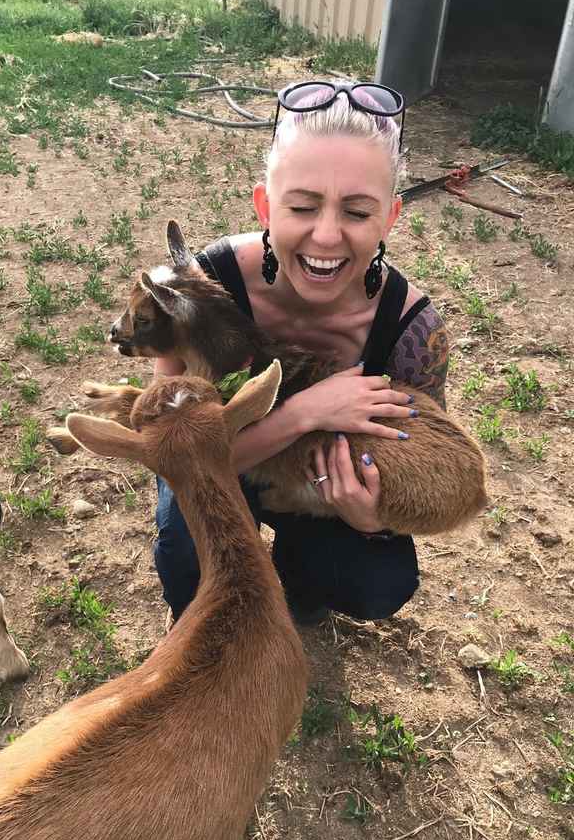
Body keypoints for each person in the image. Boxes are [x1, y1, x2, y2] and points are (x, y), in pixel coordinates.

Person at [153, 80, 450, 626]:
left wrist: (370, 519)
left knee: (377, 578)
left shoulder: (412, 331)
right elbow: (172, 452)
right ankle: (200, 616)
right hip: (220, 464)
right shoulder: (201, 286)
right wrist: (305, 413)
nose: (327, 235)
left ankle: (301, 590)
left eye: (358, 212)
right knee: (183, 548)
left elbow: (418, 466)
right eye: (303, 206)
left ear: (391, 217)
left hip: (318, 488)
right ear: (266, 206)